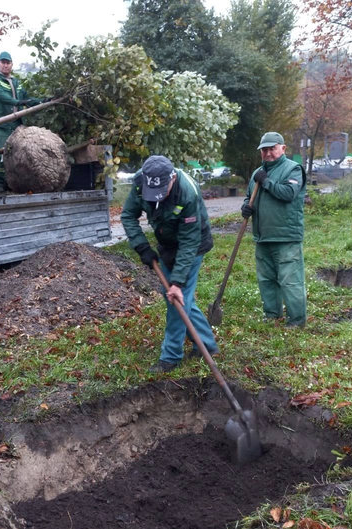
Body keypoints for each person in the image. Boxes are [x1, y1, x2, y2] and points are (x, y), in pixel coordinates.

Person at [121, 155, 218, 373]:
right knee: (182, 300)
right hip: (166, 244)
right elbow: (128, 215)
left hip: (193, 244)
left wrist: (176, 281)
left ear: (172, 177)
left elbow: (189, 241)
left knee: (176, 299)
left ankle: (171, 356)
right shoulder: (140, 183)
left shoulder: (187, 192)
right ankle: (208, 345)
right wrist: (142, 247)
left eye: (162, 191)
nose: (158, 197)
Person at [241, 132, 307, 328]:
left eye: (272, 148)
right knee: (266, 279)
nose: (268, 153)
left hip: (286, 236)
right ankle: (272, 314)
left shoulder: (293, 169)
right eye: (265, 149)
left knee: (290, 281)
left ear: (283, 148)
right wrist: (246, 207)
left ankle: (296, 320)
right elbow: (248, 196)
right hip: (262, 237)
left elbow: (288, 193)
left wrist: (267, 182)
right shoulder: (256, 173)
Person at [0, 51, 42, 192]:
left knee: (17, 153)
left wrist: (42, 101)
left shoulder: (17, 82)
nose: (5, 65)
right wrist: (18, 102)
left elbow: (26, 98)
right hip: (0, 124)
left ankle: (15, 182)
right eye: (3, 62)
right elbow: (0, 95)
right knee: (0, 152)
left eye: (8, 63)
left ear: (12, 65)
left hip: (16, 124)